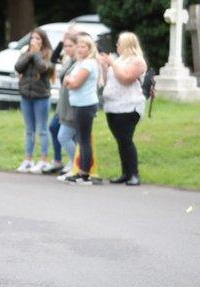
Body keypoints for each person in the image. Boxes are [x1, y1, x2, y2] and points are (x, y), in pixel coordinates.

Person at [99, 32, 148, 186]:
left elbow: (126, 78)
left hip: (128, 106)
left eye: (119, 43)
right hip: (112, 105)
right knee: (120, 140)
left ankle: (134, 174)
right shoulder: (119, 60)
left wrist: (112, 63)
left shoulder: (137, 61)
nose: (117, 46)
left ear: (127, 45)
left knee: (126, 139)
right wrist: (105, 66)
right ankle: (125, 173)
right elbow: (109, 79)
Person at [61, 33, 101, 185]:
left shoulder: (89, 64)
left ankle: (85, 173)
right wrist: (69, 81)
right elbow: (66, 78)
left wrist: (69, 81)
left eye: (83, 47)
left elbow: (75, 83)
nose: (79, 49)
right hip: (77, 104)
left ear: (90, 49)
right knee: (80, 138)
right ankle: (82, 170)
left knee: (84, 139)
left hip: (85, 105)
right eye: (78, 46)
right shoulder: (80, 62)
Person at [14, 28, 55, 174]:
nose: (34, 41)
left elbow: (44, 69)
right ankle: (28, 159)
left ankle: (44, 160)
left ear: (43, 41)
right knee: (29, 130)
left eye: (38, 39)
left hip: (41, 97)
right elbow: (18, 68)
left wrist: (36, 54)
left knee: (42, 129)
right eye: (32, 38)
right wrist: (29, 55)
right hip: (26, 96)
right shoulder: (26, 53)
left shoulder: (48, 55)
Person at [53, 32, 79, 177]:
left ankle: (77, 164)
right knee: (70, 136)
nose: (67, 49)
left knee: (63, 136)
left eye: (70, 46)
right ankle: (74, 163)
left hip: (72, 104)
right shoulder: (68, 60)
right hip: (63, 103)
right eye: (66, 46)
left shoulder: (79, 63)